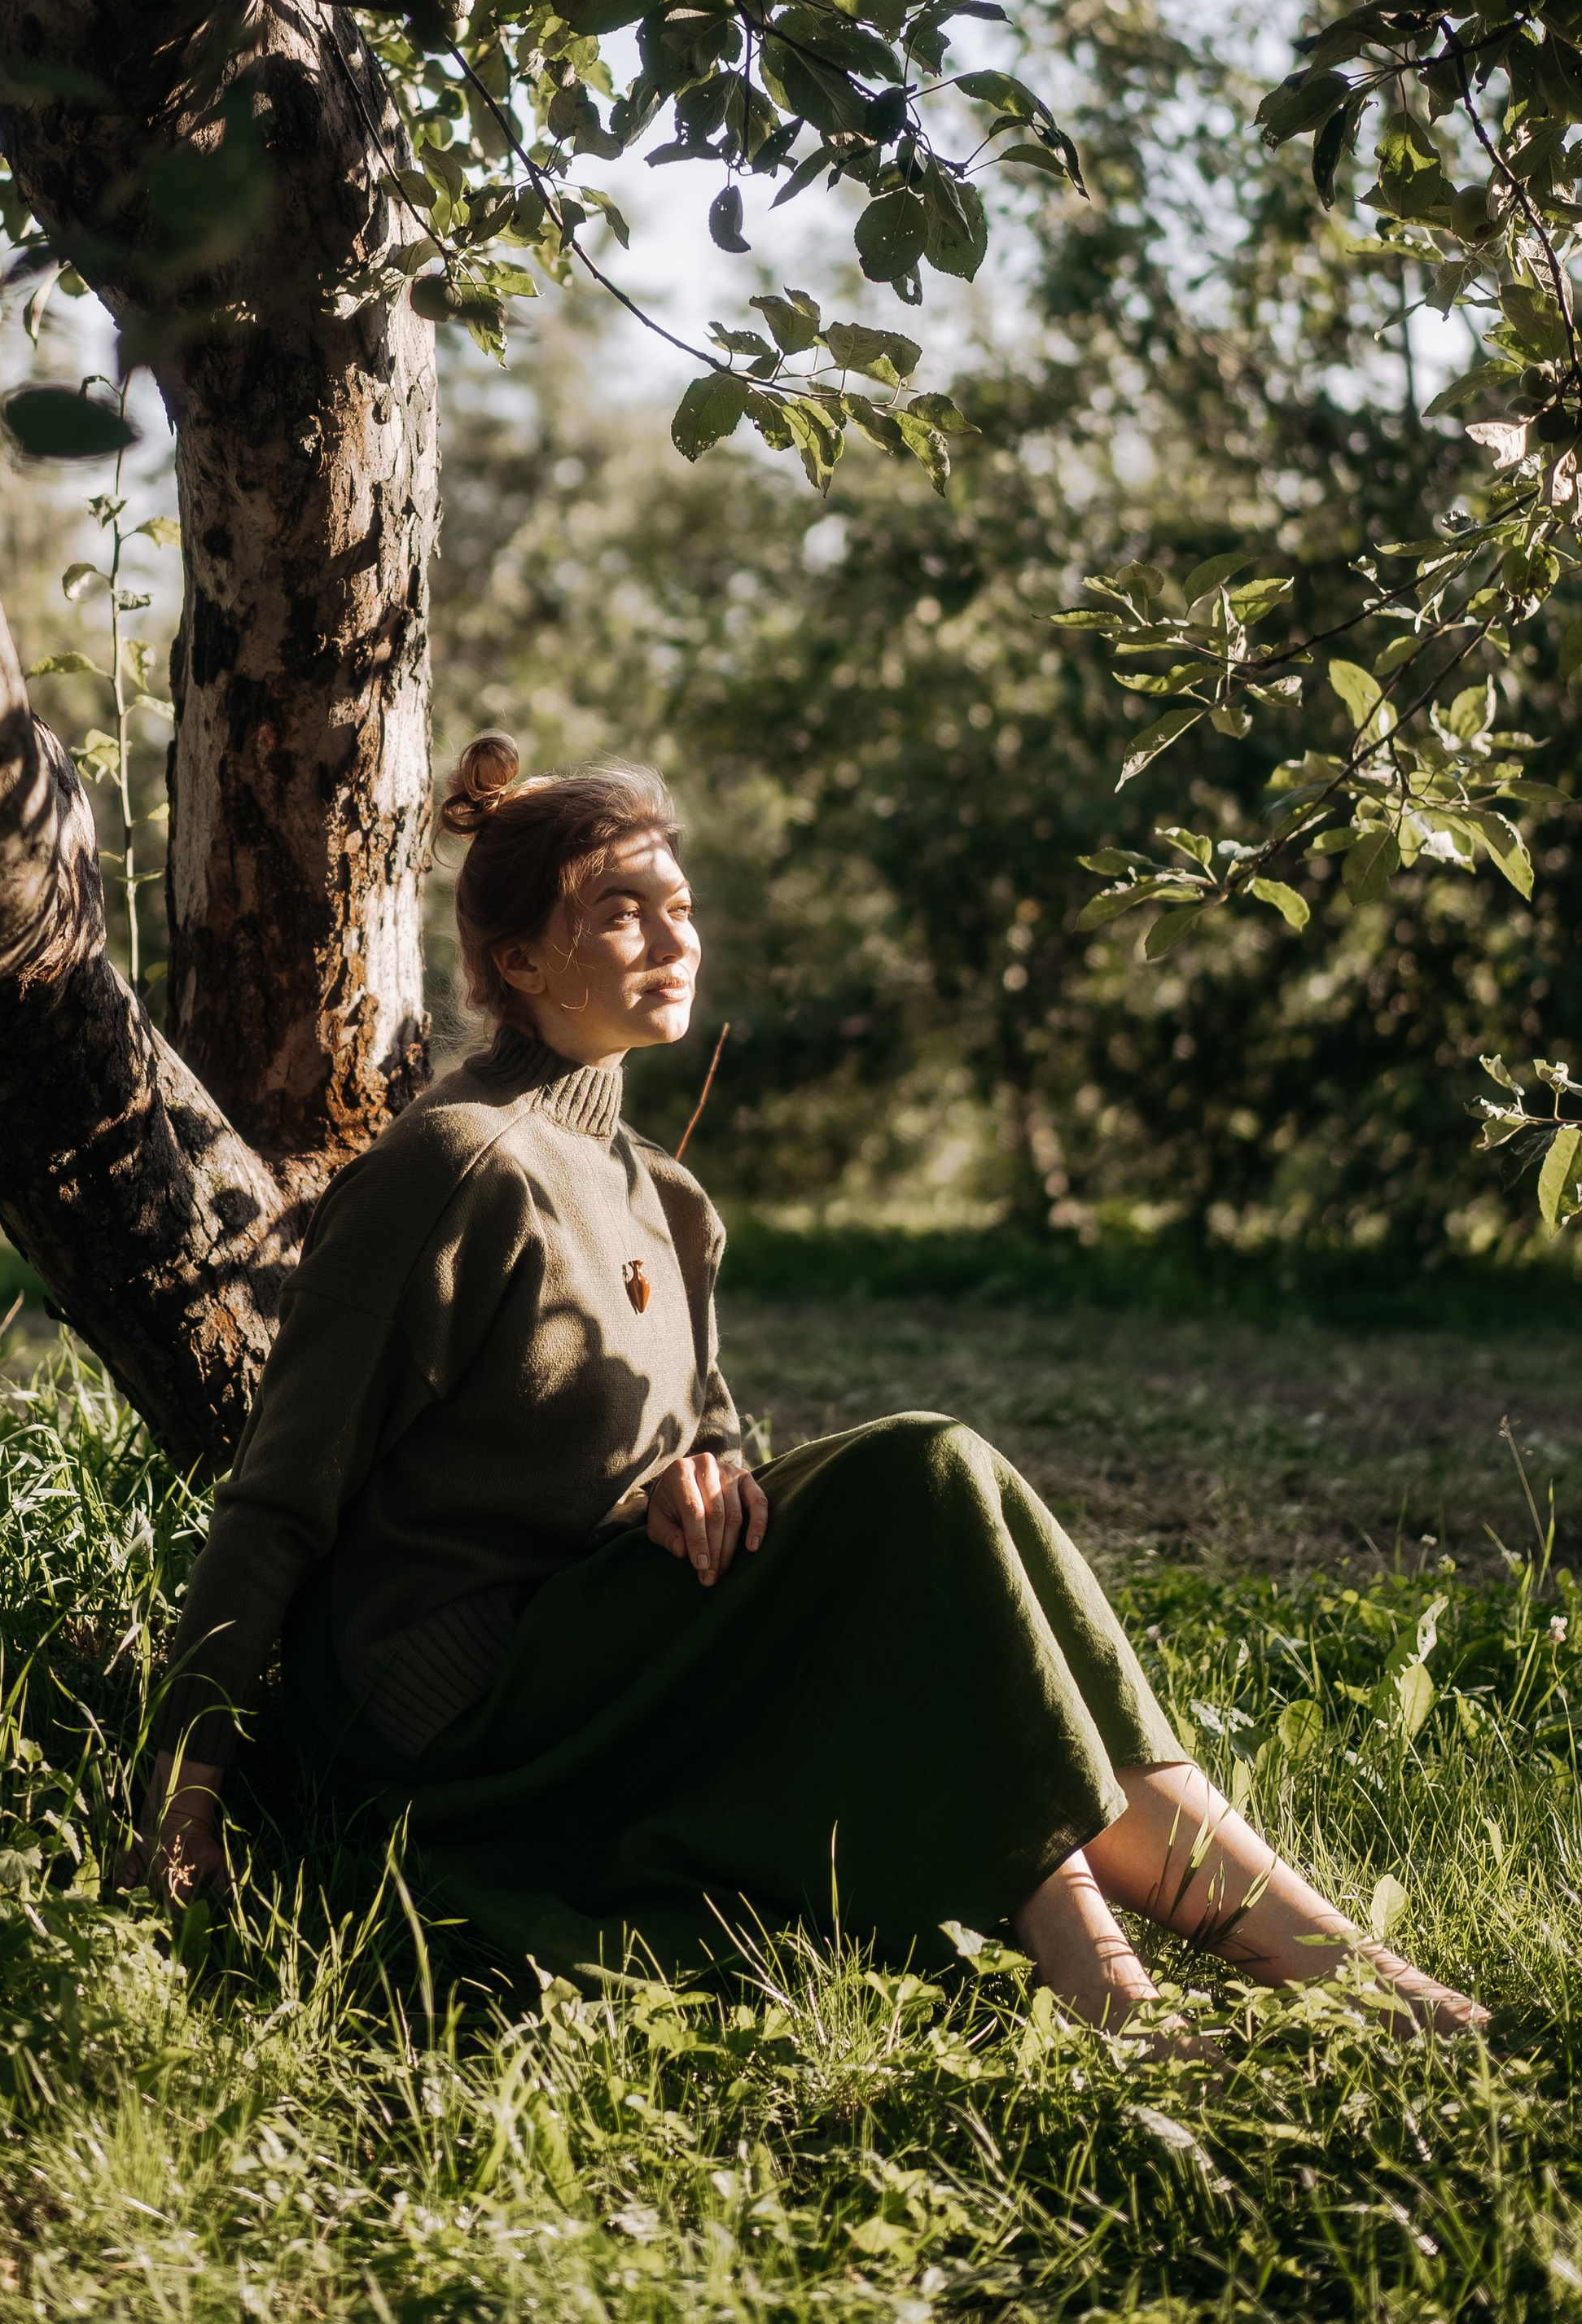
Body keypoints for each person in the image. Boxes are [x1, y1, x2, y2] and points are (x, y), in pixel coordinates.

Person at [132, 735, 1486, 2040]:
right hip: (466, 1708)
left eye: (679, 905)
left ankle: (1171, 1986)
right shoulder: (455, 1169)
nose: (674, 939)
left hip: (624, 1641)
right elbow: (278, 1499)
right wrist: (187, 1788)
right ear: (519, 961)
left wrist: (702, 1474)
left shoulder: (666, 1197)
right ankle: (1303, 1969)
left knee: (935, 1528)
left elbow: (703, 1427)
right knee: (922, 1473)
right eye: (621, 913)